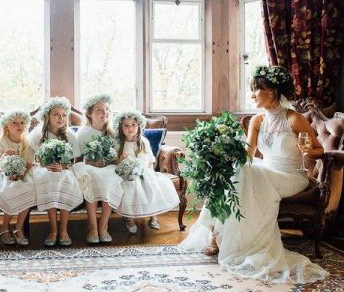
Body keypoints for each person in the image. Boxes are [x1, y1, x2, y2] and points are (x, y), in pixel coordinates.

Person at [180, 65, 329, 283]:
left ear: (273, 91)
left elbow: (319, 150)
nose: (252, 95)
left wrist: (308, 151)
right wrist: (224, 152)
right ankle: (215, 233)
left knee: (250, 174)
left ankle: (226, 237)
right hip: (266, 169)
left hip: (291, 176)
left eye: (256, 90)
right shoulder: (257, 121)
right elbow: (248, 155)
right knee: (236, 170)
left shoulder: (294, 119)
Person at [28, 97, 83, 247]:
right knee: (48, 179)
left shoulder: (70, 135)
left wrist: (63, 167)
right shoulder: (38, 134)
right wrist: (44, 165)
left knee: (65, 179)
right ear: (47, 116)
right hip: (43, 169)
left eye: (64, 115)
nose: (60, 118)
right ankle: (53, 229)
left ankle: (64, 230)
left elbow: (76, 161)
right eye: (56, 114)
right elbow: (30, 159)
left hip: (64, 169)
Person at [114, 111, 180, 233]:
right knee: (130, 186)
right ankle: (128, 217)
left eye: (133, 124)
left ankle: (153, 216)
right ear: (120, 127)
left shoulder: (143, 141)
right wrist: (120, 160)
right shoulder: (119, 143)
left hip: (144, 171)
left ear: (139, 126)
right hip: (127, 174)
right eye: (126, 125)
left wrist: (149, 172)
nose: (130, 128)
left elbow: (150, 160)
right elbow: (114, 163)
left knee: (153, 184)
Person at [72, 94, 123, 244]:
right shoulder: (83, 132)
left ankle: (103, 226)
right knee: (91, 177)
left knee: (110, 176)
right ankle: (93, 227)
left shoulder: (113, 133)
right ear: (89, 113)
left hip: (109, 167)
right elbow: (77, 160)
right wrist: (91, 163)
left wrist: (109, 162)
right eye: (99, 110)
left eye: (107, 109)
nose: (104, 113)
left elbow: (117, 158)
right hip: (89, 167)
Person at [0, 111, 35, 246]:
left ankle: (19, 227)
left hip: (22, 173)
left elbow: (29, 165)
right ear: (6, 126)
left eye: (22, 123)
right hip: (1, 174)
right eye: (14, 122)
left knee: (30, 187)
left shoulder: (28, 141)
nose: (19, 126)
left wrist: (20, 175)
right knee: (10, 188)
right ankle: (4, 227)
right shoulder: (0, 142)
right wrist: (4, 157)